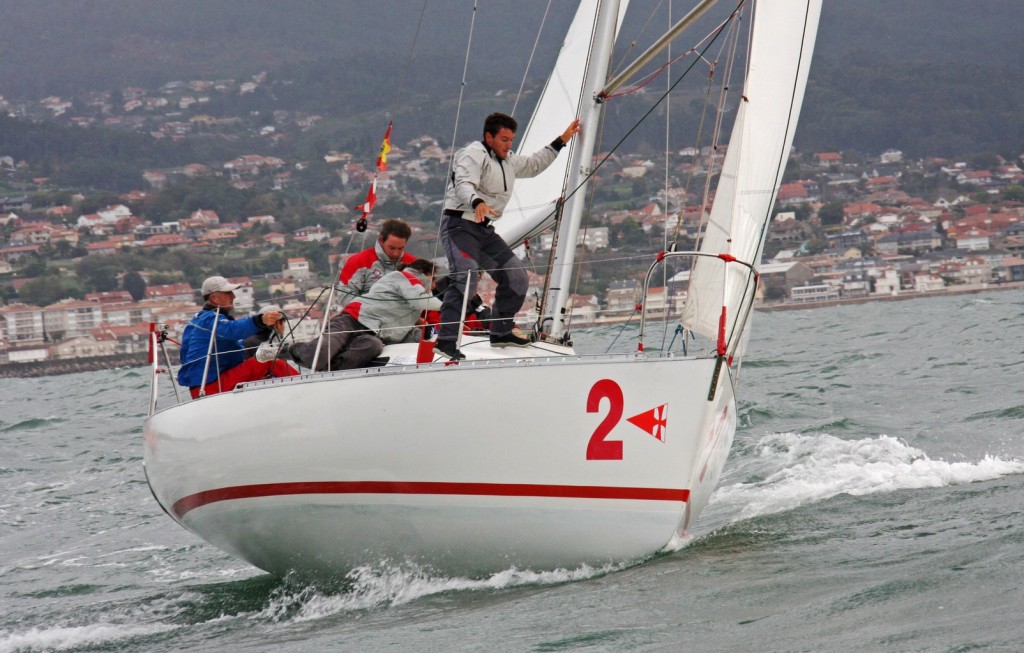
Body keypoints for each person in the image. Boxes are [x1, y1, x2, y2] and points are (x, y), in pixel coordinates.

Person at [436, 112, 581, 360]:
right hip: (460, 226)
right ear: (488, 137)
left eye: (511, 140)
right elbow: (463, 184)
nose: (508, 144)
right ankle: (446, 340)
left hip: (484, 230)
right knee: (467, 277)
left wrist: (561, 140)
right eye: (504, 139)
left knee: (516, 278)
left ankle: (501, 332)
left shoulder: (509, 160)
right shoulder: (473, 154)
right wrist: (478, 202)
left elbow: (535, 165)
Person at [261, 259, 442, 371]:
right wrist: (450, 306)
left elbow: (401, 334)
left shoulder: (413, 307)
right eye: (433, 280)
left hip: (371, 334)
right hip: (352, 320)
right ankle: (282, 350)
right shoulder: (404, 277)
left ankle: (325, 371)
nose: (433, 287)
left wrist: (425, 333)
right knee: (321, 354)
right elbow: (421, 300)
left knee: (372, 347)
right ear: (423, 274)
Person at [178, 276, 299, 398]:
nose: (233, 296)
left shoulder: (196, 319)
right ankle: (305, 389)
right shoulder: (210, 319)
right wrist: (260, 321)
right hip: (212, 387)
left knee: (264, 364)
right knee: (270, 361)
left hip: (202, 387)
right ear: (214, 298)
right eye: (228, 293)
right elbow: (232, 330)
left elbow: (185, 353)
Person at [337, 218, 416, 307]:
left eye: (400, 248)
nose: (396, 253)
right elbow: (345, 297)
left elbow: (424, 297)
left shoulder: (413, 264)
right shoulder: (358, 262)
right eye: (392, 248)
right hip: (366, 318)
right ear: (381, 240)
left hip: (405, 319)